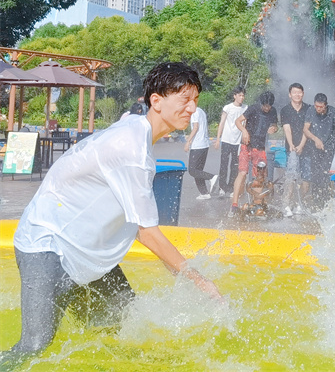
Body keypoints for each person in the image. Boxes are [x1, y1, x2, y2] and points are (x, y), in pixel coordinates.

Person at [1, 62, 223, 368]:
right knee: (35, 345)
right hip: (47, 246)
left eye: (195, 100)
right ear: (156, 101)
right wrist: (200, 282)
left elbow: (137, 225)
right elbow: (147, 232)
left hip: (87, 251)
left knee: (119, 325)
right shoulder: (132, 148)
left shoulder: (137, 134)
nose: (192, 108)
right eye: (185, 99)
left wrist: (183, 276)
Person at [228, 91, 278, 218]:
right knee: (242, 173)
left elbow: (275, 125)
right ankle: (234, 204)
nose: (267, 108)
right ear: (261, 103)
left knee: (260, 176)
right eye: (265, 106)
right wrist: (244, 131)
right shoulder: (253, 109)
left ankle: (257, 204)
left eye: (269, 106)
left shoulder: (273, 111)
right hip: (247, 145)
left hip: (260, 148)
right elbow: (238, 121)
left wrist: (274, 128)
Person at [303, 93, 335, 208]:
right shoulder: (311, 110)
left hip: (329, 147)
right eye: (316, 106)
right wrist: (315, 139)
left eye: (321, 107)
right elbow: (306, 129)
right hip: (314, 147)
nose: (318, 109)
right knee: (315, 174)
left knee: (324, 173)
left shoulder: (332, 111)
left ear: (325, 105)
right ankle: (316, 201)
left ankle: (324, 201)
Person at [279, 83, 310, 216]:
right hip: (290, 149)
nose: (297, 95)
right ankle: (286, 204)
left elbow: (307, 129)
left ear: (303, 93)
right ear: (290, 95)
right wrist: (291, 144)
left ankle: (299, 204)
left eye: (299, 92)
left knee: (306, 177)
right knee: (290, 177)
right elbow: (287, 128)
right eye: (294, 92)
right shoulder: (285, 110)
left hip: (307, 148)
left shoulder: (309, 109)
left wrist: (301, 145)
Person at [214, 86, 247, 197]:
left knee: (235, 165)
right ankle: (222, 187)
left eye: (243, 95)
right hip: (226, 139)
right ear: (234, 96)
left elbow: (245, 124)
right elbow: (222, 123)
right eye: (239, 95)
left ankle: (232, 187)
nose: (242, 97)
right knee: (224, 164)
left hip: (238, 141)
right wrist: (218, 139)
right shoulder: (228, 107)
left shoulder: (245, 108)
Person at [184, 106, 218, 200]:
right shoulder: (201, 111)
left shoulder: (194, 112)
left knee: (192, 170)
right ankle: (204, 193)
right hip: (204, 145)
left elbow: (196, 127)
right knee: (198, 171)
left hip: (198, 145)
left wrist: (188, 141)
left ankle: (212, 177)